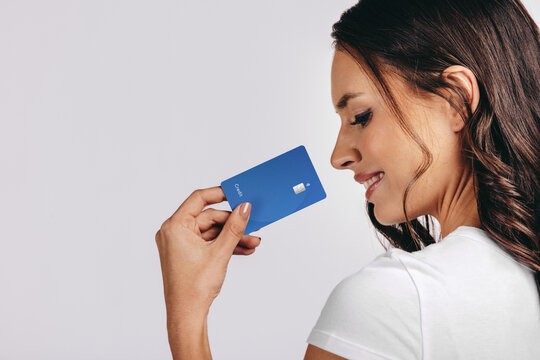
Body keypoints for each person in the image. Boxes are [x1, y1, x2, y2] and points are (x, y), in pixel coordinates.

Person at [155, 0, 540, 358]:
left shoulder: (396, 298)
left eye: (360, 116)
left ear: (456, 100)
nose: (338, 157)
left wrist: (186, 316)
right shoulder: (522, 281)